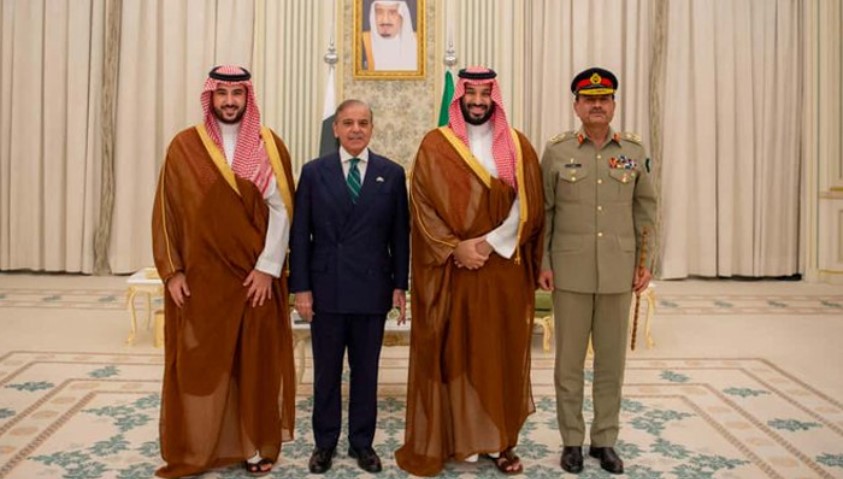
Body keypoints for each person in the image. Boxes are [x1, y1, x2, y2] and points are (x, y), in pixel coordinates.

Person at [395, 66, 545, 476]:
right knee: (455, 353)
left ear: (494, 97)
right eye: (471, 93)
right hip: (453, 271)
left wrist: (489, 244)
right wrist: (455, 247)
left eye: (485, 94)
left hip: (500, 269)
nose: (478, 101)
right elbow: (421, 204)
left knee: (498, 353)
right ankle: (458, 438)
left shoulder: (517, 146)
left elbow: (529, 204)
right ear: (459, 97)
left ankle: (500, 440)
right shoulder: (435, 144)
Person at [151, 65, 296, 478]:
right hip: (203, 281)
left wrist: (268, 268)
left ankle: (252, 445)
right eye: (222, 94)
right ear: (210, 97)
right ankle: (200, 445)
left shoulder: (269, 146)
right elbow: (167, 212)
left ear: (248, 97)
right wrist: (173, 271)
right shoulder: (185, 147)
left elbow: (283, 211)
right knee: (202, 365)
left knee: (254, 364)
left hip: (254, 281)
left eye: (237, 94)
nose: (230, 102)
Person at [538, 67, 658, 475]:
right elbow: (545, 213)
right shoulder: (557, 151)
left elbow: (646, 211)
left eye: (604, 99)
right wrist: (544, 263)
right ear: (576, 106)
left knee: (611, 364)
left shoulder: (634, 150)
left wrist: (644, 263)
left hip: (618, 272)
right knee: (568, 365)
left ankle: (604, 440)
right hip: (569, 271)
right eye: (588, 100)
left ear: (613, 105)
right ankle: (571, 440)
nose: (596, 106)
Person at [289, 99, 410, 474]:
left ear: (372, 128)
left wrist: (400, 285)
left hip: (372, 290)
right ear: (336, 129)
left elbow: (400, 236)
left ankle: (362, 443)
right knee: (326, 375)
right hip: (326, 289)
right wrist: (301, 288)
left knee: (365, 373)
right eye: (348, 123)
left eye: (362, 123)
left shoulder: (392, 174)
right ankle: (324, 444)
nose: (356, 129)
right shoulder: (314, 172)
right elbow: (300, 235)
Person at [361, 0, 417, 71]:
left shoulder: (420, 43)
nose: (385, 20)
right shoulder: (362, 42)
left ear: (402, 15)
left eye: (392, 12)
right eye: (379, 12)